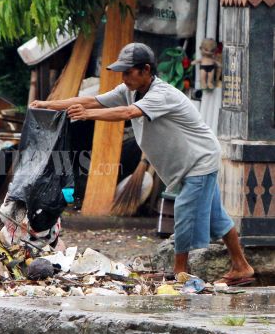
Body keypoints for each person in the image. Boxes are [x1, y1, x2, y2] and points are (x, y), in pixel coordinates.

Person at [30, 43, 254, 284]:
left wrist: (87, 115)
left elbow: (128, 113)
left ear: (146, 70)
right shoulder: (129, 90)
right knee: (216, 217)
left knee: (184, 212)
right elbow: (94, 100)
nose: (124, 77)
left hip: (199, 161)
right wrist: (48, 105)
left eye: (128, 72)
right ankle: (241, 266)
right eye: (123, 73)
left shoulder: (161, 94)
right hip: (190, 162)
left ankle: (180, 275)